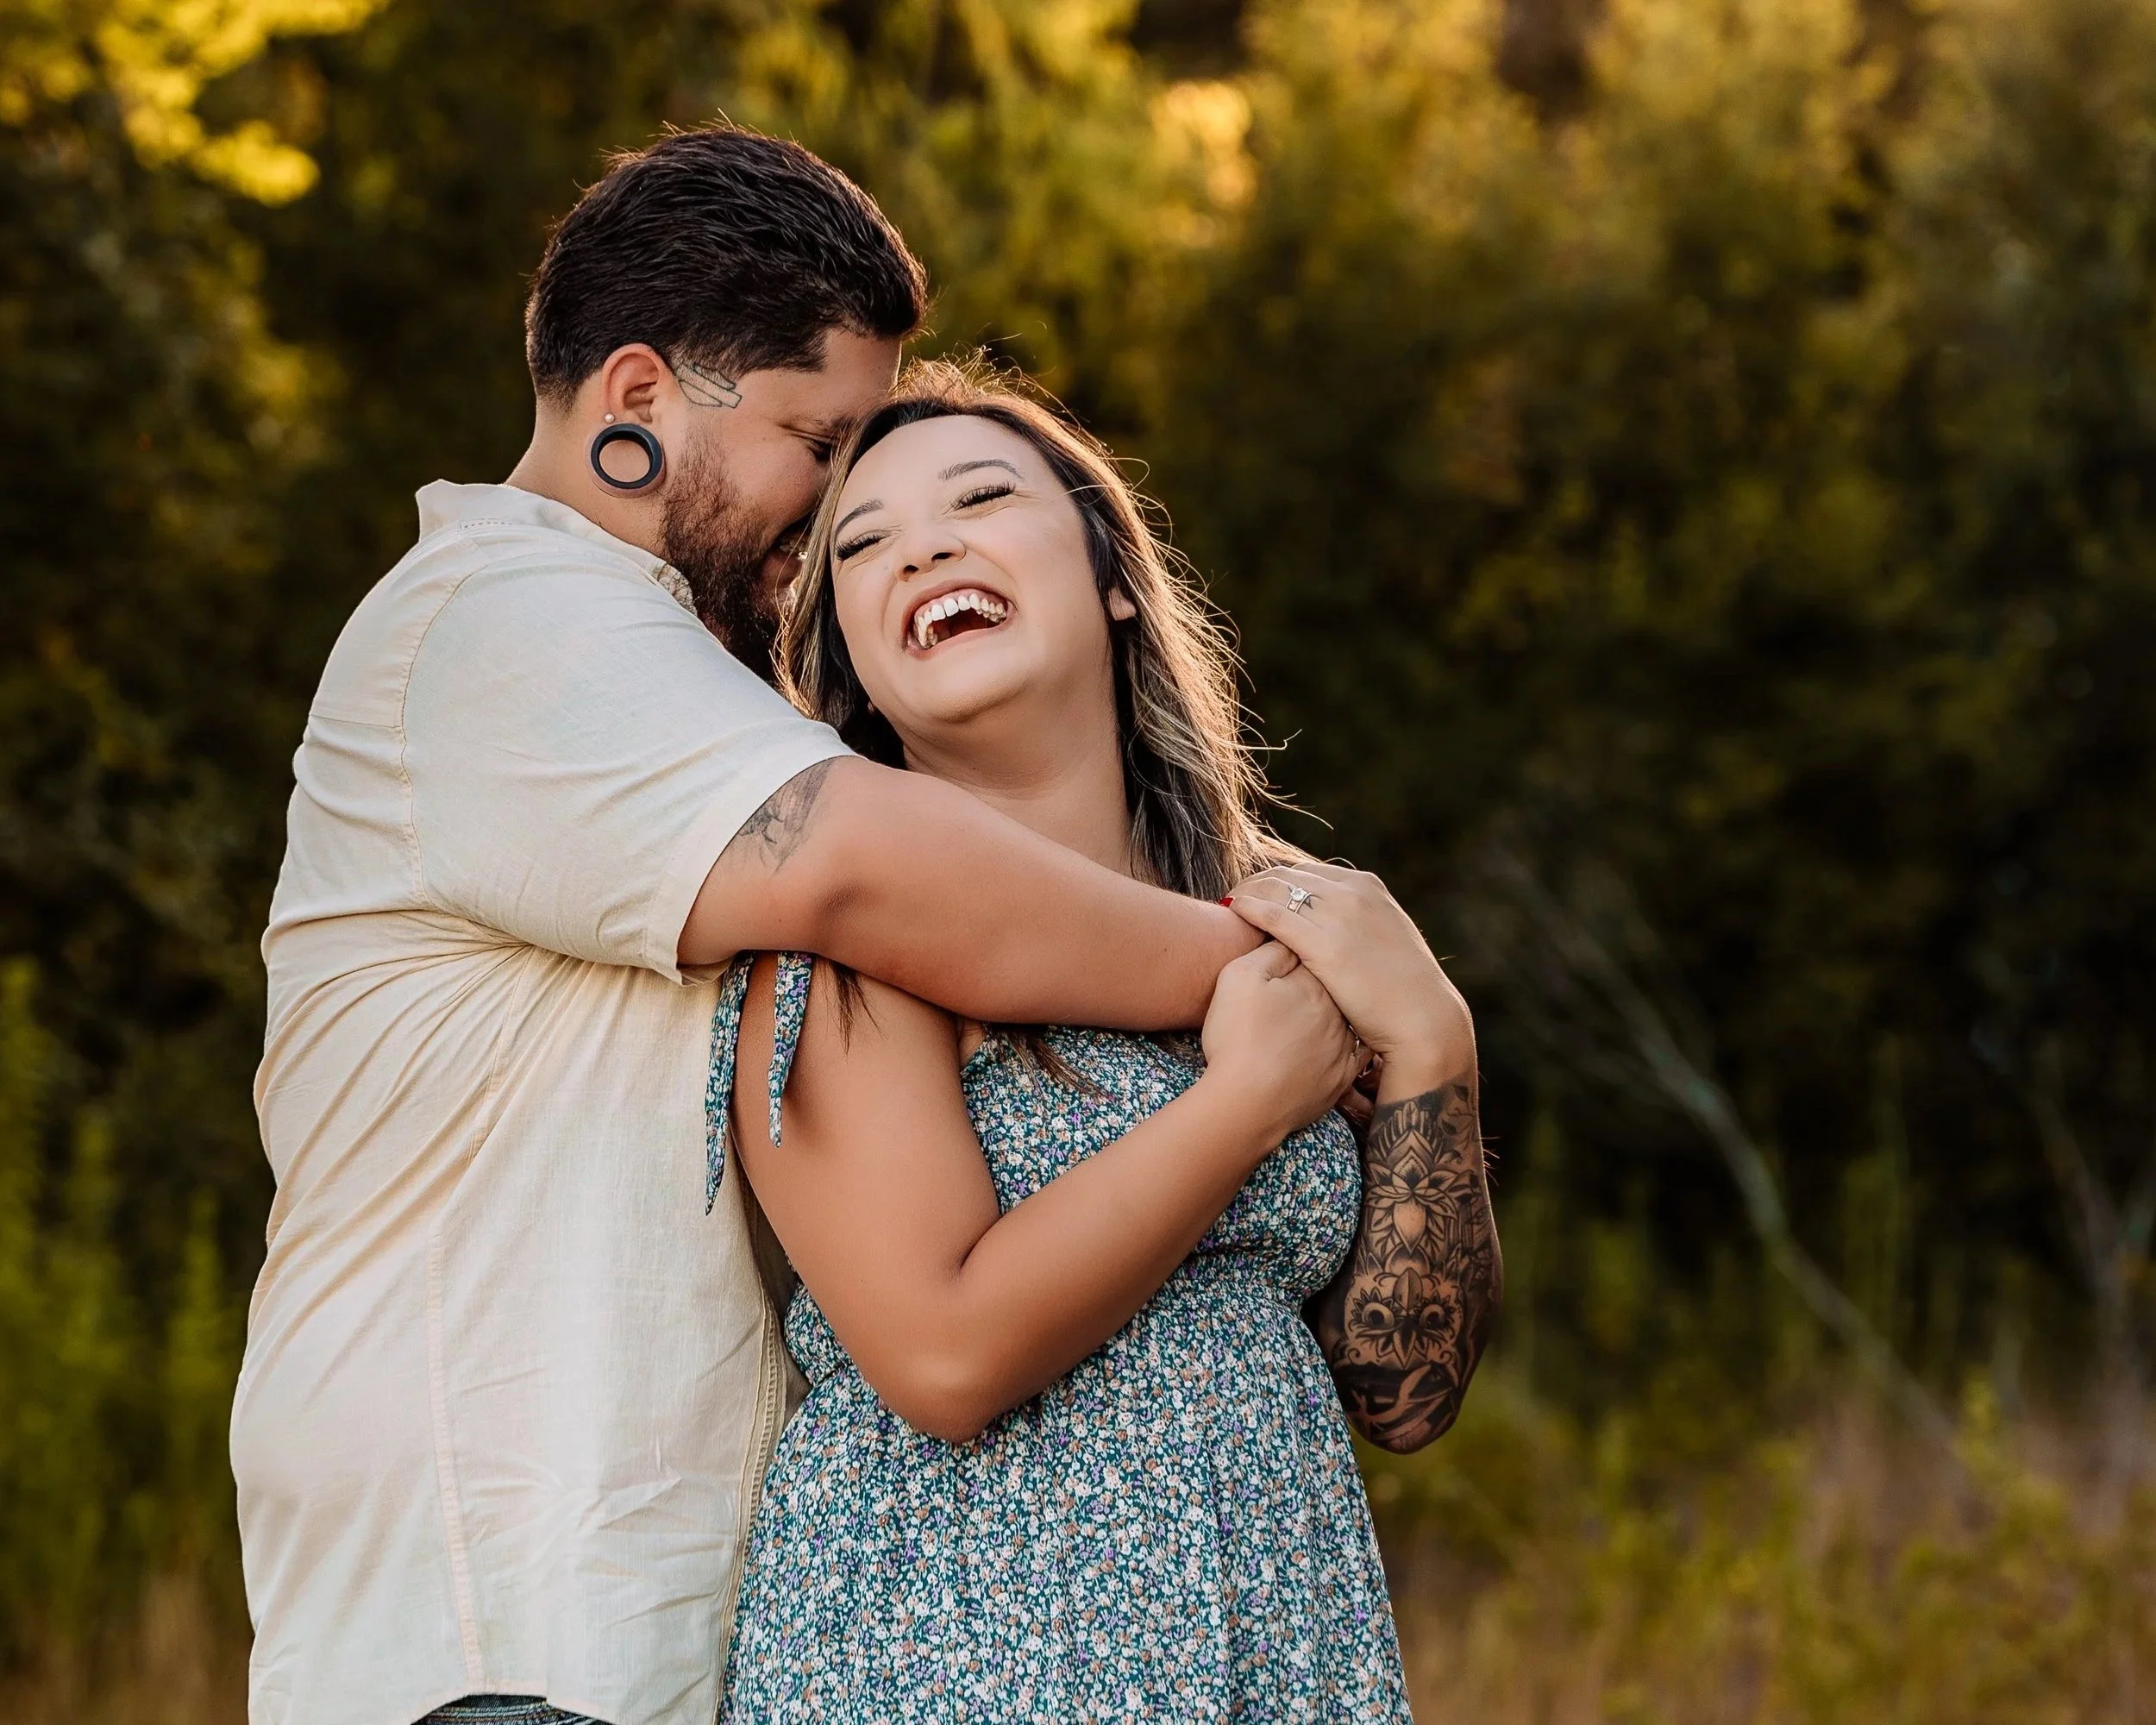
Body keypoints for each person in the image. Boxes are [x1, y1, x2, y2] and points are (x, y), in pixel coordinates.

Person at [232, 129, 1293, 1725]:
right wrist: (1290, 985)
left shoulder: (663, 671)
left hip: (620, 1641)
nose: (837, 503)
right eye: (821, 441)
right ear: (642, 401)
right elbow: (861, 868)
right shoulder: (506, 625)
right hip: (501, 1641)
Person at [713, 362, 1501, 1722]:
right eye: (865, 543)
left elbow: (1403, 1394)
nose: (928, 546)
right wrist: (1246, 1101)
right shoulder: (842, 948)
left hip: (1274, 1626)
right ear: (848, 661)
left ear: (1113, 579)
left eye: (981, 496)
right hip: (961, 1646)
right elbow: (944, 1357)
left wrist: (1435, 1043)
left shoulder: (1277, 934)